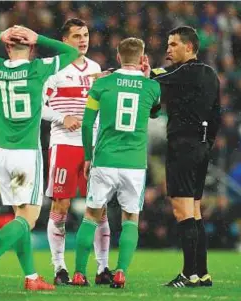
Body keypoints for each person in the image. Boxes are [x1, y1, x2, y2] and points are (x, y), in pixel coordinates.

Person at [0, 25, 79, 292]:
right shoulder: (38, 68)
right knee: (27, 219)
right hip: (26, 153)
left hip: (2, 153)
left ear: (7, 46)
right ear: (30, 47)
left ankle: (31, 277)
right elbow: (72, 51)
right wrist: (38, 36)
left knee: (20, 217)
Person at [71, 37, 161, 289]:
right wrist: (146, 76)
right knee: (130, 217)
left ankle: (79, 273)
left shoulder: (102, 84)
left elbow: (88, 123)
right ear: (142, 57)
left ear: (118, 56)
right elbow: (154, 111)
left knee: (91, 215)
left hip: (105, 159)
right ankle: (120, 271)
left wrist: (88, 157)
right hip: (133, 163)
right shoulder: (152, 87)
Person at [42, 18, 113, 285]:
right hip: (64, 145)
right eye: (76, 36)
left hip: (92, 146)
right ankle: (59, 267)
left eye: (85, 35)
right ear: (64, 41)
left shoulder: (95, 68)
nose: (82, 40)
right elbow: (39, 106)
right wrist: (62, 117)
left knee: (99, 207)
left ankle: (102, 268)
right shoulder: (53, 70)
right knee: (61, 205)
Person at [150, 26, 221, 288]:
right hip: (201, 147)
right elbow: (217, 116)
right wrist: (206, 144)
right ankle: (202, 273)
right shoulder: (211, 74)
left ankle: (188, 274)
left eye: (174, 44)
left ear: (189, 48)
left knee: (182, 212)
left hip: (183, 146)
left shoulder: (183, 71)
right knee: (195, 211)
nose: (168, 49)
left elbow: (151, 75)